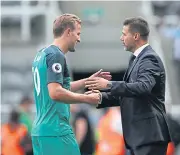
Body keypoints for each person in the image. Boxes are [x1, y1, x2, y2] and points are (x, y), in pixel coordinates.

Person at [85, 17, 171, 155]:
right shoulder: (136, 59)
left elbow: (143, 87)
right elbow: (129, 95)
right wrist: (101, 97)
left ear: (136, 36)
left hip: (148, 136)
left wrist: (108, 84)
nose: (121, 38)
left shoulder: (149, 58)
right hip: (140, 137)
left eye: (124, 34)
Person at [31, 13, 111, 155]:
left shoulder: (42, 54)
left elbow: (58, 87)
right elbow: (55, 92)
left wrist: (87, 81)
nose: (79, 39)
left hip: (40, 131)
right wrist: (86, 99)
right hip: (56, 131)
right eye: (78, 33)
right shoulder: (56, 55)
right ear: (68, 32)